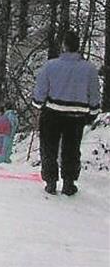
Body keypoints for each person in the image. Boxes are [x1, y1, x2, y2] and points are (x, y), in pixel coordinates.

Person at [31, 29, 102, 195]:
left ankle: (50, 181)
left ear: (64, 46)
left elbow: (41, 89)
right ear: (78, 47)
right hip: (76, 115)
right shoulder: (89, 69)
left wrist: (38, 103)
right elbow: (94, 93)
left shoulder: (51, 66)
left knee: (49, 147)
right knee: (71, 148)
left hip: (53, 112)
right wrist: (93, 111)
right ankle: (69, 182)